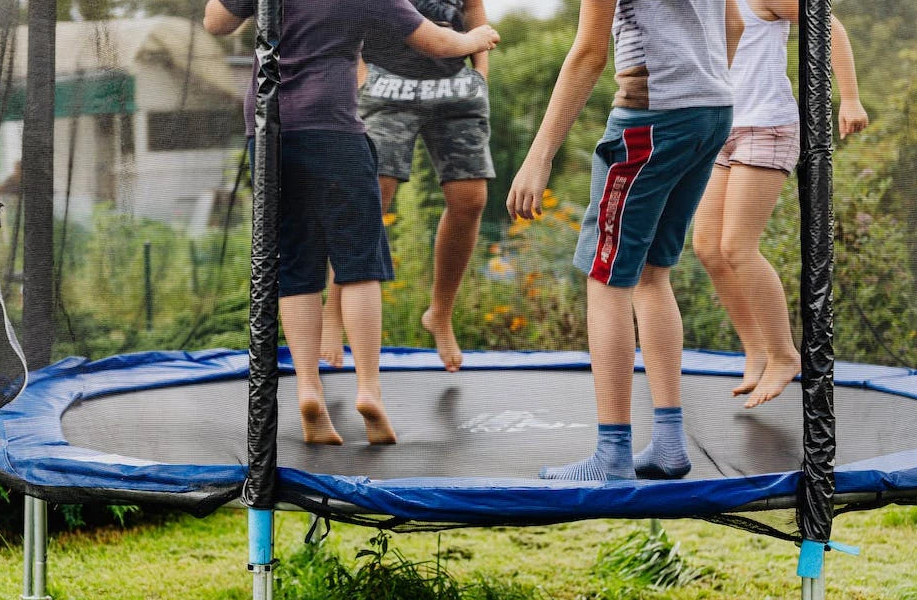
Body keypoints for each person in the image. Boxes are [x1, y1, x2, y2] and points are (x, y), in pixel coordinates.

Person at [203, 0, 499, 445]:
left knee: (295, 265)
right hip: (334, 130)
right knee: (360, 263)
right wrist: (475, 39)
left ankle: (307, 388)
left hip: (268, 133)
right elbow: (437, 43)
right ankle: (368, 389)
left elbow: (216, 22)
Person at [507, 0, 743, 481]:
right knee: (653, 274)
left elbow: (589, 53)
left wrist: (539, 155)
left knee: (606, 274)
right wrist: (698, 86)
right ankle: (670, 443)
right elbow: (734, 23)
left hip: (651, 119)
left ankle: (612, 454)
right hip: (712, 111)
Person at [692, 0, 868, 409]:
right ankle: (756, 349)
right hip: (720, 125)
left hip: (766, 126)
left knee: (737, 247)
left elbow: (830, 26)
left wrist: (851, 98)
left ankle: (785, 353)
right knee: (706, 246)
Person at [318, 0, 495, 373]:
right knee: (370, 196)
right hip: (387, 84)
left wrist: (481, 73)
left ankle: (440, 315)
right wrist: (361, 74)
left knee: (470, 199)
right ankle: (332, 314)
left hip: (454, 86)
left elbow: (474, 9)